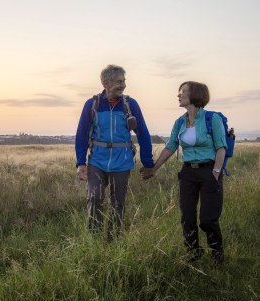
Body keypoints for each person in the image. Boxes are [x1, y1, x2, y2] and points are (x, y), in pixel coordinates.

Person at [140, 81, 227, 264]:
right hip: (188, 173)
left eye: (183, 92)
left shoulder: (212, 119)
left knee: (207, 219)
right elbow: (171, 147)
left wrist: (216, 173)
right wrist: (153, 169)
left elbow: (221, 147)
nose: (179, 95)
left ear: (195, 94)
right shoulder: (179, 122)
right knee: (187, 217)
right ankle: (193, 254)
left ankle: (217, 254)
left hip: (209, 171)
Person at [75, 64, 154, 241]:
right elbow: (81, 134)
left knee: (117, 203)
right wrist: (81, 162)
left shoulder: (130, 104)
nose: (123, 85)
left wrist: (148, 163)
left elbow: (143, 133)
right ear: (106, 83)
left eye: (124, 81)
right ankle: (94, 240)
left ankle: (113, 240)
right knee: (94, 198)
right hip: (97, 162)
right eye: (119, 81)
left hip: (122, 162)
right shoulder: (92, 104)